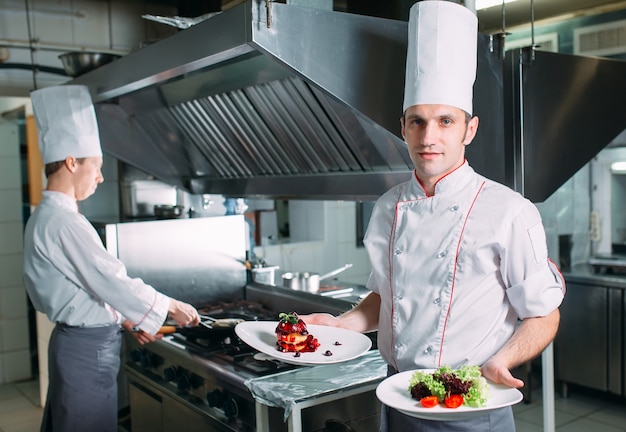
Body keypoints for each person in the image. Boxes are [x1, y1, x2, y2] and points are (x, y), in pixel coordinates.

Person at [302, 2, 565, 431]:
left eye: (446, 121)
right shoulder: (388, 207)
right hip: (398, 398)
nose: (430, 137)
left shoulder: (510, 212)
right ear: (402, 127)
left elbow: (544, 313)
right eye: (418, 122)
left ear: (470, 129)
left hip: (472, 404)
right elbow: (388, 298)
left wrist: (503, 359)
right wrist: (342, 324)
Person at [23, 85, 200, 432]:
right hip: (85, 352)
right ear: (72, 162)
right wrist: (169, 305)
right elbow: (109, 278)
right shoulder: (64, 222)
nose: (101, 177)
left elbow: (85, 288)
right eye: (97, 166)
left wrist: (127, 319)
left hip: (78, 346)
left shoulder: (46, 216)